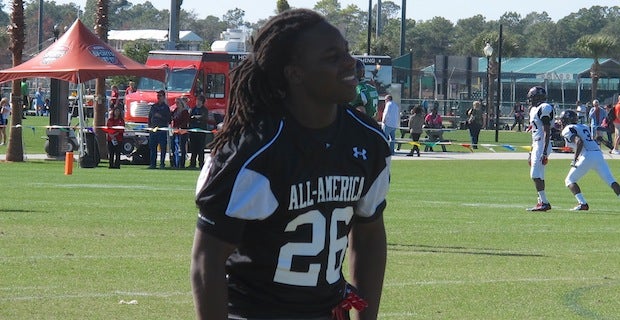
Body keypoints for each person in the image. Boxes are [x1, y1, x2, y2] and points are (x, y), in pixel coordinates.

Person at [190, 9, 390, 320]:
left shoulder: (367, 141)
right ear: (295, 72)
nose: (351, 63)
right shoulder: (254, 148)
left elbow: (369, 237)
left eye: (347, 51)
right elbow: (208, 259)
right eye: (332, 57)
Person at [559, 110, 620, 210]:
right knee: (611, 180)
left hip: (587, 155)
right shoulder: (583, 126)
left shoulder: (567, 129)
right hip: (598, 153)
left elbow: (579, 142)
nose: (561, 122)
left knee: (569, 180)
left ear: (566, 120)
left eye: (562, 120)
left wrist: (575, 159)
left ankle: (582, 203)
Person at [525, 86, 554, 211]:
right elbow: (535, 133)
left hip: (542, 144)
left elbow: (546, 131)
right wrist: (531, 152)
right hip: (537, 143)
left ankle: (544, 202)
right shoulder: (534, 109)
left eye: (532, 97)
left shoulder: (545, 108)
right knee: (539, 175)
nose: (530, 100)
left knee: (535, 174)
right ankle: (541, 201)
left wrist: (544, 151)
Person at [148, 90, 171, 169]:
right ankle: (152, 164)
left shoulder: (166, 107)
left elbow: (169, 119)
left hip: (162, 130)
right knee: (152, 147)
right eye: (158, 96)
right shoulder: (154, 106)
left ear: (164, 97)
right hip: (153, 130)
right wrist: (150, 126)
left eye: (160, 96)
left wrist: (160, 116)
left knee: (162, 148)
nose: (158, 97)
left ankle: (162, 163)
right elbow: (150, 117)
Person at [188, 95, 211, 169]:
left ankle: (201, 163)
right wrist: (195, 118)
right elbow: (190, 118)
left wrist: (197, 118)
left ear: (202, 102)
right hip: (193, 132)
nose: (198, 102)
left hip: (201, 132)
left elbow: (204, 118)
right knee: (193, 149)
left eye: (199, 101)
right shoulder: (193, 109)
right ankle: (192, 164)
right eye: (197, 100)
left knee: (201, 149)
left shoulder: (204, 110)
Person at [171, 96, 190, 169]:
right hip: (175, 132)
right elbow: (172, 118)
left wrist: (180, 127)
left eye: (178, 103)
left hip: (182, 132)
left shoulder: (185, 112)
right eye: (176, 103)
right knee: (174, 148)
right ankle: (175, 163)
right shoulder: (175, 110)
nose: (176, 104)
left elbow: (185, 121)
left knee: (181, 148)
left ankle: (181, 164)